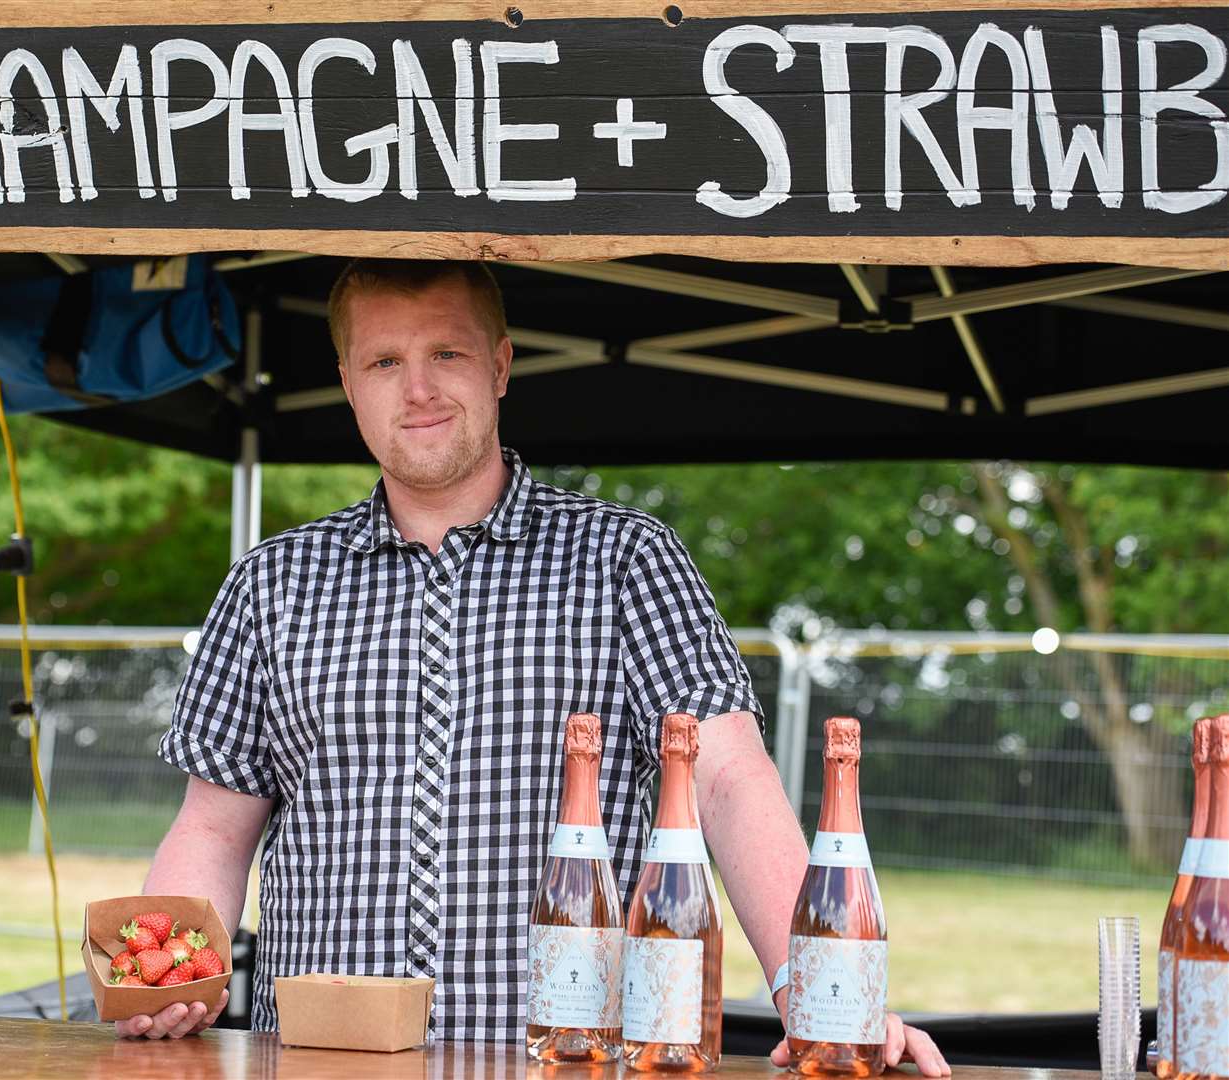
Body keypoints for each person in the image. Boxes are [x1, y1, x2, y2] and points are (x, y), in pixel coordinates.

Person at [116, 259, 948, 1074]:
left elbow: (729, 780)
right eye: (384, 361)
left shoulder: (627, 562)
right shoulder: (271, 582)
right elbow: (212, 829)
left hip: (574, 1064)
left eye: (446, 353)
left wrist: (820, 989)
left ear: (501, 365)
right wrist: (174, 970)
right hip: (317, 1062)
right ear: (347, 381)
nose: (418, 389)